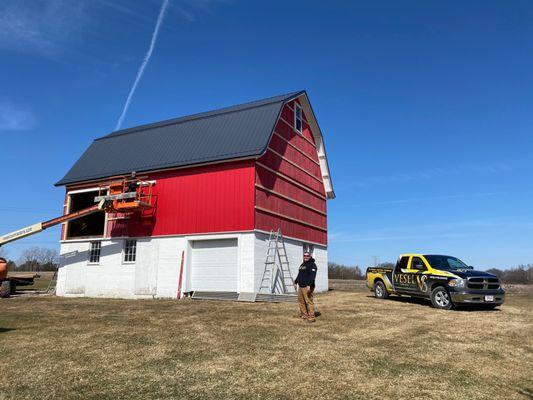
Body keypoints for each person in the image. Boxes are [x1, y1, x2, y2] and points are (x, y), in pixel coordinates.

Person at [294, 252, 318, 323]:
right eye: (304, 255)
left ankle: (312, 317)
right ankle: (304, 315)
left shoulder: (312, 265)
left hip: (308, 286)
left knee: (309, 301)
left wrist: (309, 285)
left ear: (310, 256)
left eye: (307, 256)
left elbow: (312, 276)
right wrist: (295, 282)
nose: (306, 257)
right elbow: (300, 274)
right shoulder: (302, 265)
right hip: (301, 286)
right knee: (301, 301)